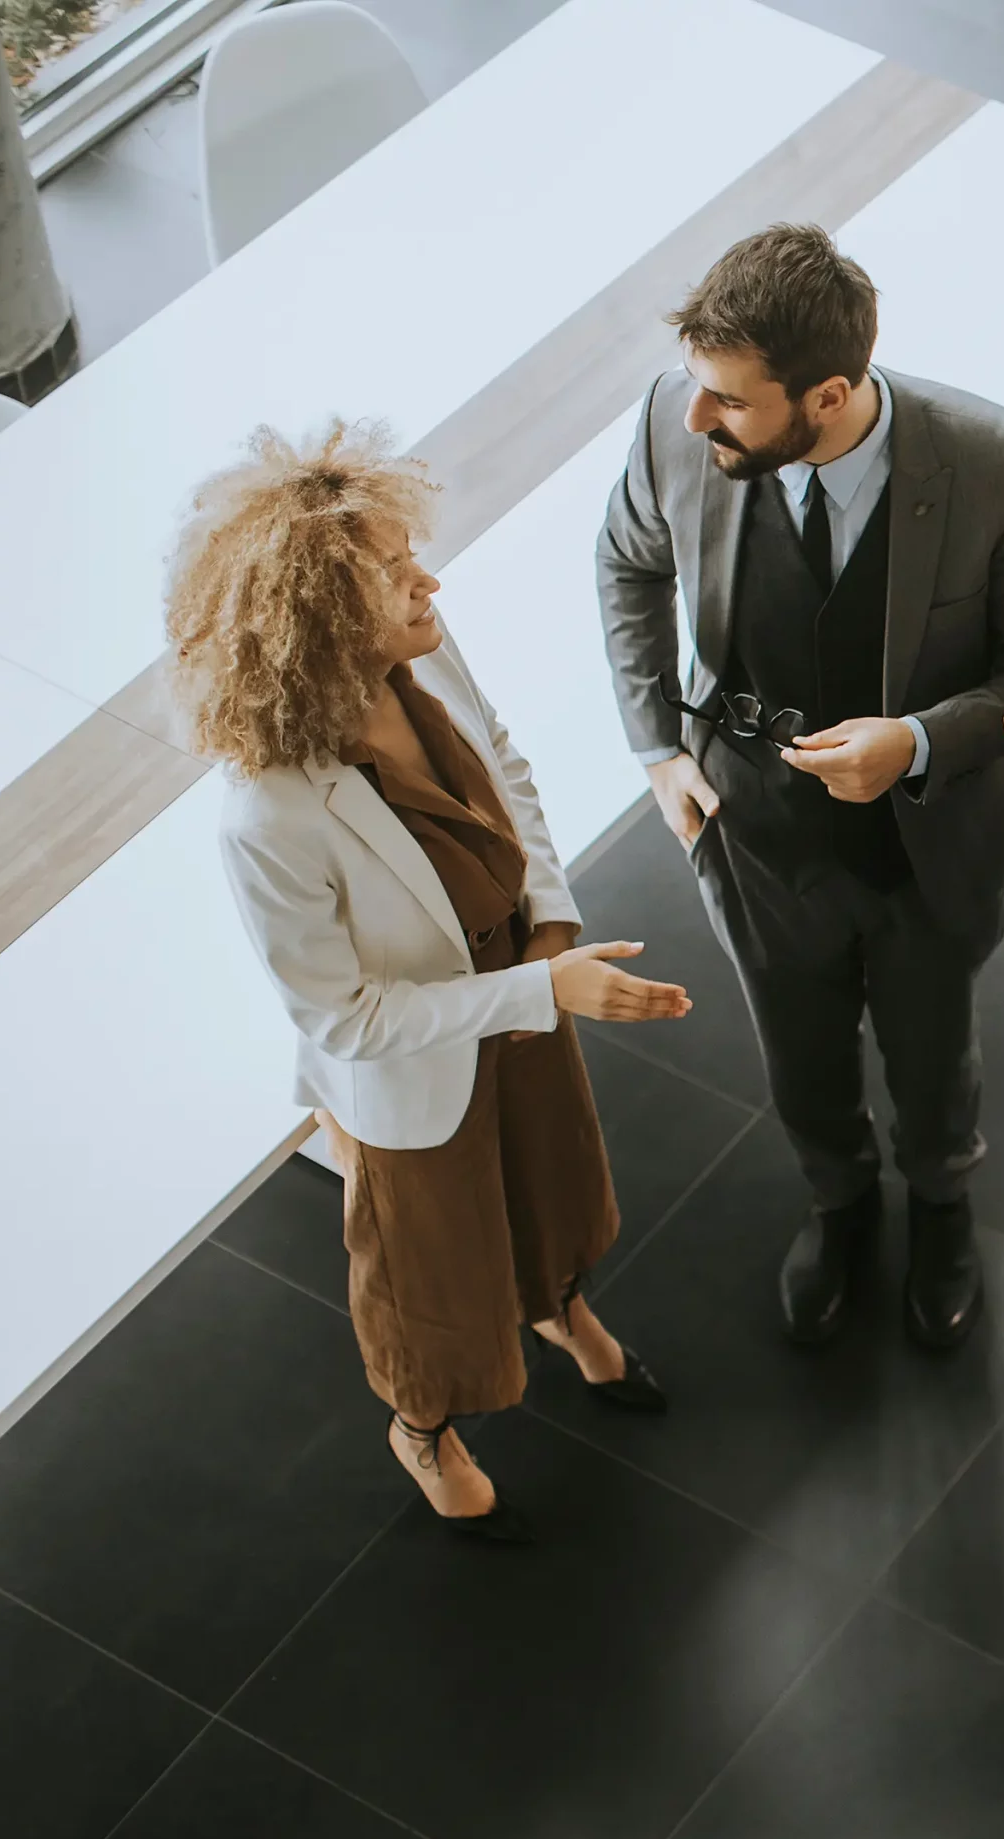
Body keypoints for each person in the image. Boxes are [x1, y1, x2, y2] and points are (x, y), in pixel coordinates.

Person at [186, 422, 691, 1541]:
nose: (431, 579)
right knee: (429, 1274)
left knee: (548, 1180)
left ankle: (559, 1308)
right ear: (317, 622)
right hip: (424, 1066)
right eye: (391, 570)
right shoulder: (267, 815)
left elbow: (502, 757)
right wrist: (540, 994)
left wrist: (549, 920)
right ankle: (422, 1424)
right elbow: (344, 1016)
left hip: (523, 979)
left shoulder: (419, 645)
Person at [598, 224, 1004, 1352]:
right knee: (795, 1040)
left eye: (728, 401)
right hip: (749, 824)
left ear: (828, 393)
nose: (694, 419)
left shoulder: (996, 462)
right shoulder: (678, 427)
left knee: (930, 1044)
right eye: (696, 390)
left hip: (928, 838)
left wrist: (913, 742)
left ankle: (942, 1202)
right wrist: (658, 748)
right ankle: (838, 1198)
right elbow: (626, 561)